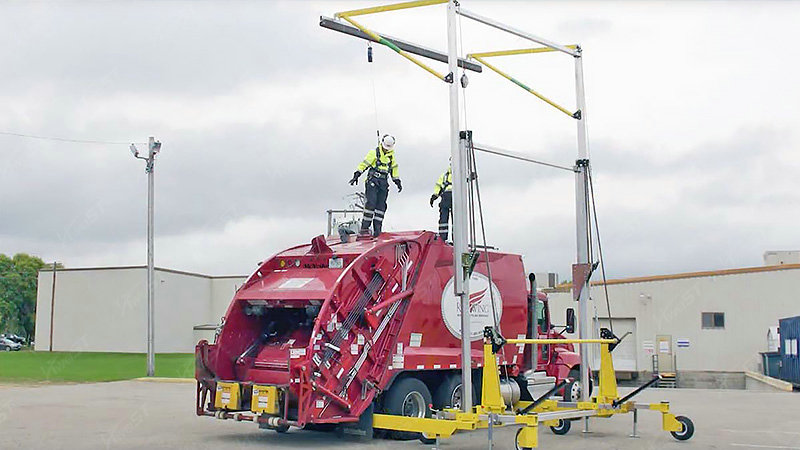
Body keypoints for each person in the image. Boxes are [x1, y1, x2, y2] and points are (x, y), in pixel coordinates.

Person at [348, 134, 402, 237]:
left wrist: (397, 181)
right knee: (371, 204)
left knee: (381, 206)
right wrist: (357, 175)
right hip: (373, 181)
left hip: (383, 183)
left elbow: (394, 170)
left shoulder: (391, 157)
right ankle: (365, 228)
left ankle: (377, 230)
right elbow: (364, 164)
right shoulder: (374, 153)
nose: (386, 150)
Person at [430, 165, 452, 241]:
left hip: (455, 199)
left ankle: (456, 239)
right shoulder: (444, 176)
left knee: (456, 221)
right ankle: (443, 239)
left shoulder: (461, 174)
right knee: (443, 220)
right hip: (446, 198)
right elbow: (438, 186)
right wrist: (434, 196)